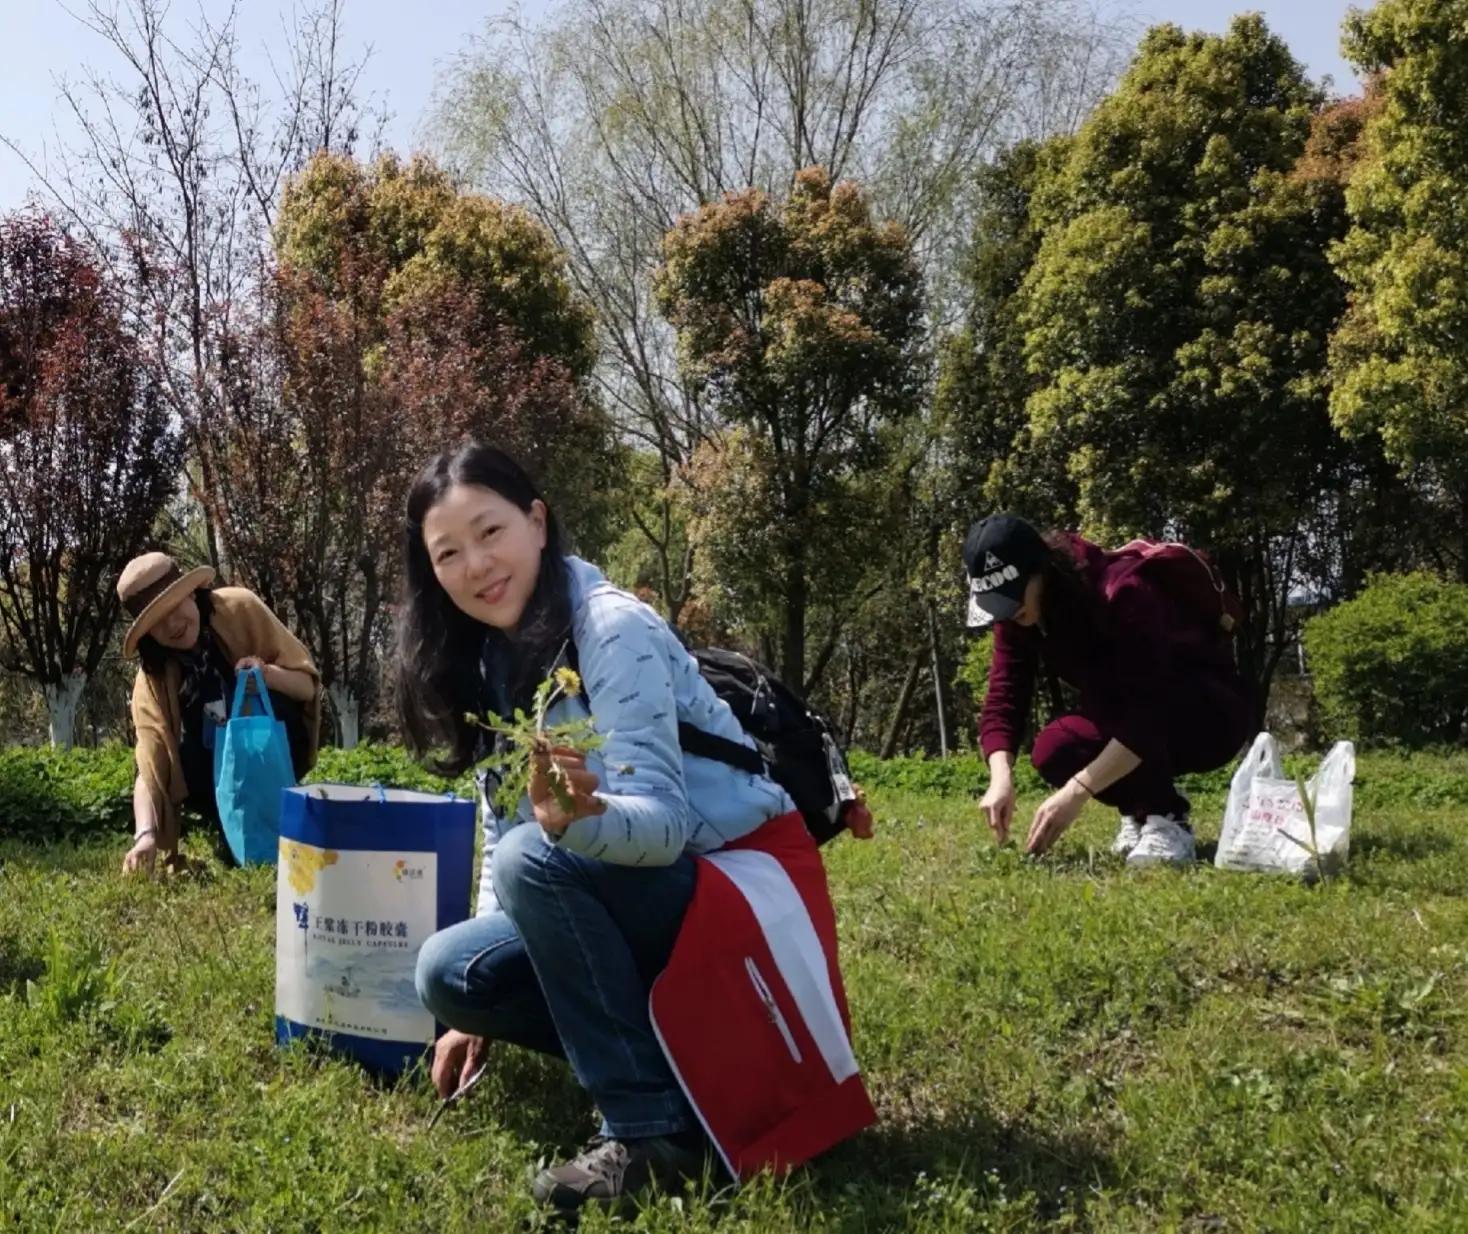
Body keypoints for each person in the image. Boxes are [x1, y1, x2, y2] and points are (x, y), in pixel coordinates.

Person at [400, 444, 872, 1215]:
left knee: (536, 859)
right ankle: (685, 1078)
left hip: (739, 880)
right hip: (643, 891)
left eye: (491, 532)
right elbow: (500, 823)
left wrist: (580, 822)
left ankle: (653, 1132)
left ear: (538, 522)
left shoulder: (610, 630)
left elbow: (663, 825)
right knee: (450, 974)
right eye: (448, 554)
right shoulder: (493, 658)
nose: (477, 565)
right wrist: (466, 1016)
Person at [966, 514, 1252, 866]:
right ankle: (1140, 811)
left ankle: (1167, 819)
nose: (1008, 614)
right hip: (1132, 716)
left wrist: (1076, 793)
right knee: (1056, 748)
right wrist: (1000, 778)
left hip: (1206, 713)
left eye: (1012, 599)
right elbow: (1004, 696)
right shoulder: (1017, 616)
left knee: (1121, 705)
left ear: (1041, 570)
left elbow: (1148, 710)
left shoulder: (1123, 593)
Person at [117, 552, 322, 874]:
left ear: (192, 594)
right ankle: (230, 824)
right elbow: (150, 766)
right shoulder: (152, 681)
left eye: (175, 607)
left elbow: (307, 687)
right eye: (156, 621)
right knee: (180, 753)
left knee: (274, 701)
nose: (172, 624)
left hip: (276, 755)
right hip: (211, 779)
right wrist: (145, 835)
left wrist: (265, 674)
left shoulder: (241, 610)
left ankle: (278, 810)